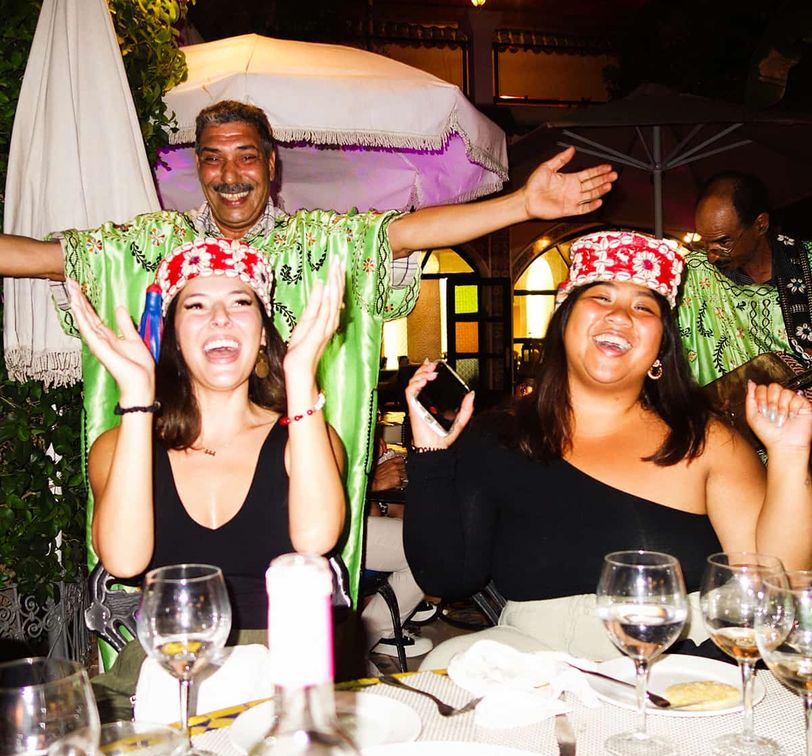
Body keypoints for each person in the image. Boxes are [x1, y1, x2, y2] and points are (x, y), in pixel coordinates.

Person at [0, 100, 617, 595]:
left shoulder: (317, 245)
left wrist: (521, 207)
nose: (230, 173)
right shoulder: (151, 245)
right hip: (165, 458)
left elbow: (402, 234)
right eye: (213, 159)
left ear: (272, 163)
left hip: (291, 462)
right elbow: (42, 257)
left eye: (245, 155)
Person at [403, 230, 812, 666]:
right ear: (563, 323)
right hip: (539, 664)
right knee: (449, 662)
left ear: (661, 350)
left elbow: (773, 581)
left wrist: (789, 455)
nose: (619, 316)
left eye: (643, 306)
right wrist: (431, 458)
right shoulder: (497, 436)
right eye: (600, 297)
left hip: (678, 660)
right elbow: (447, 578)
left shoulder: (706, 441)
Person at [68, 238, 346, 631]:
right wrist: (135, 398)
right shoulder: (119, 447)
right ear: (175, 340)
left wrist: (299, 374)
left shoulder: (304, 438)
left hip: (285, 661)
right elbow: (123, 561)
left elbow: (316, 541)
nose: (219, 318)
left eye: (240, 302)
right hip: (172, 662)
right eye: (196, 305)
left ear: (263, 334)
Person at [678, 172, 812, 386]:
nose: (712, 256)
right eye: (706, 243)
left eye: (724, 241)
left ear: (760, 224)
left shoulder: (806, 264)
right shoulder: (693, 274)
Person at [363, 435, 433, 659]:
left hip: (346, 523)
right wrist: (372, 483)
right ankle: (370, 635)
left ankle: (390, 615)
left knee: (428, 541)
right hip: (305, 532)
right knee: (426, 547)